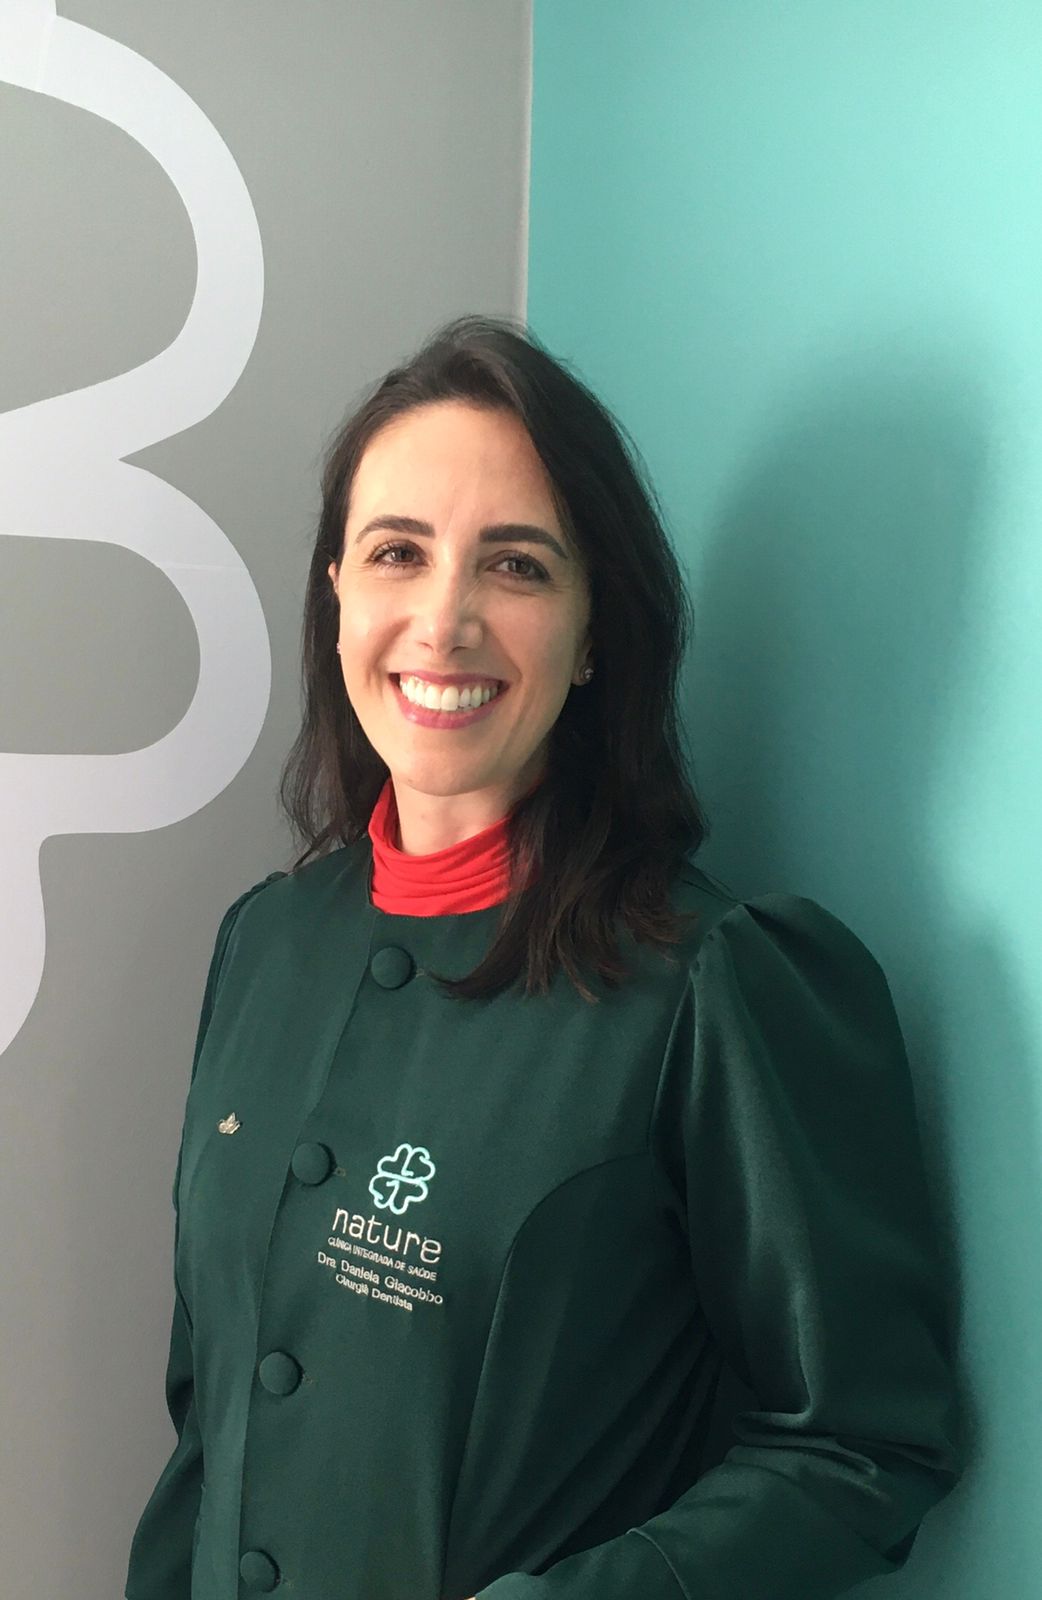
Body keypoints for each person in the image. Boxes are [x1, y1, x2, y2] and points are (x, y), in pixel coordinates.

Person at [124, 314, 963, 1600]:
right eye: (397, 552)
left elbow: (862, 1441)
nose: (443, 619)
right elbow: (211, 1419)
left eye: (514, 565)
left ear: (594, 633)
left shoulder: (717, 983)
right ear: (338, 592)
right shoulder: (265, 941)